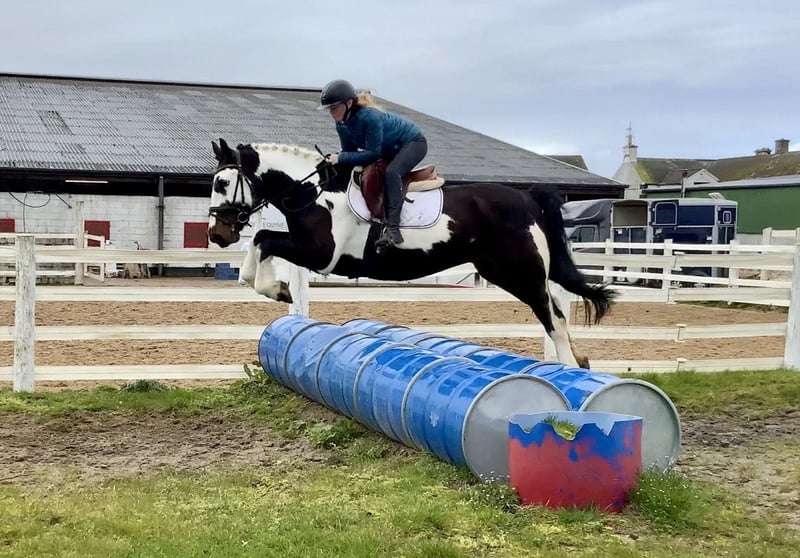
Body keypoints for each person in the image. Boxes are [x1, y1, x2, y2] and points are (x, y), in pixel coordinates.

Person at [318, 79, 427, 250]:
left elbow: (373, 153)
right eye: (329, 109)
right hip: (389, 149)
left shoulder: (369, 117)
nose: (331, 112)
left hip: (413, 143)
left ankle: (393, 229)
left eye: (334, 107)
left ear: (348, 103)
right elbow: (350, 154)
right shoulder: (341, 125)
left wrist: (340, 158)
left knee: (392, 173)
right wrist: (336, 162)